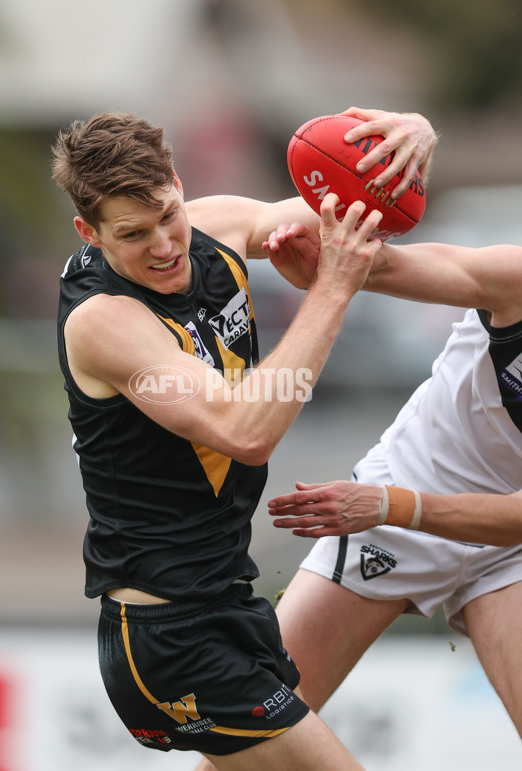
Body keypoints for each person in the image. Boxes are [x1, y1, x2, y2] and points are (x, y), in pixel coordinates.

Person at [51, 106, 436, 770]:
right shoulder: (103, 320)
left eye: (169, 214)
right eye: (133, 233)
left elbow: (350, 211)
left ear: (176, 181)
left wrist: (410, 139)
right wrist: (332, 289)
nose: (166, 245)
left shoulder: (214, 225)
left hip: (226, 602)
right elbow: (244, 430)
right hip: (166, 636)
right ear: (90, 232)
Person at [263, 216, 522, 736]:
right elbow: (389, 265)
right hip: (411, 481)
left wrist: (388, 505)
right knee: (256, 725)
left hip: (498, 542)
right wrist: (324, 263)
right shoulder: (515, 278)